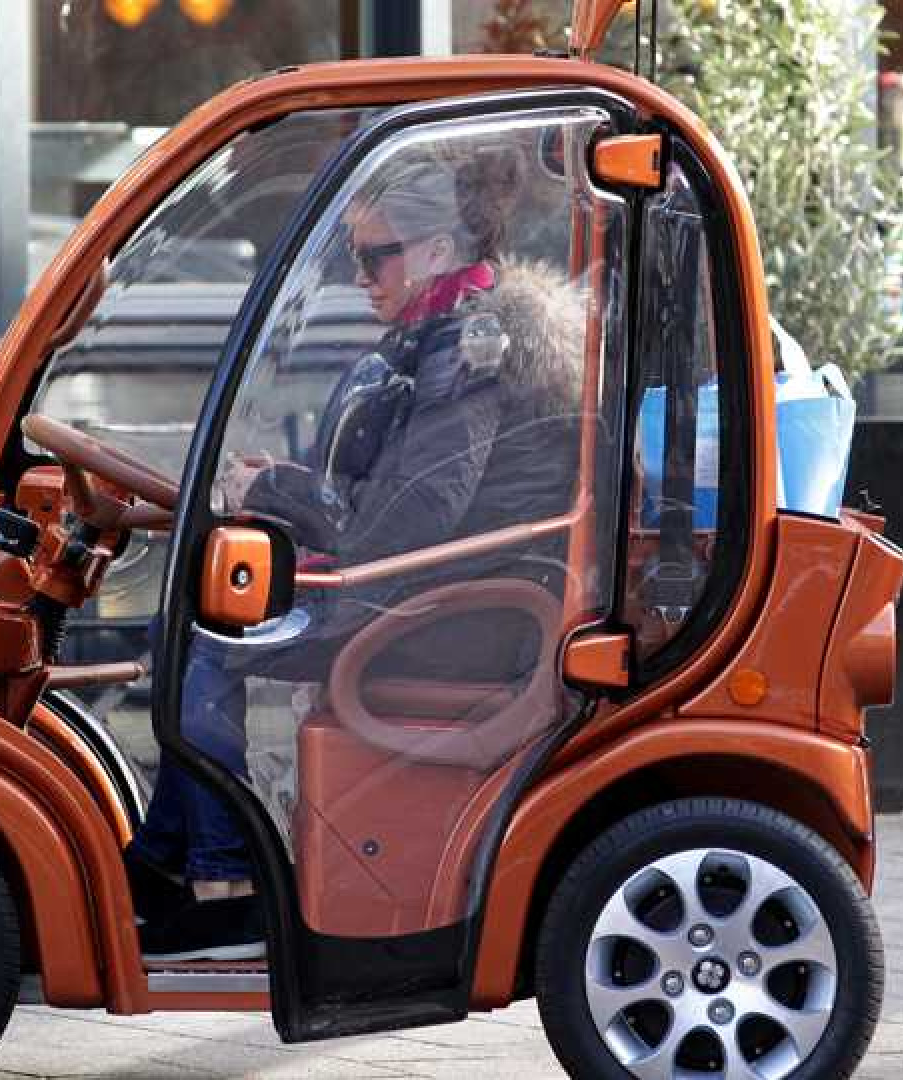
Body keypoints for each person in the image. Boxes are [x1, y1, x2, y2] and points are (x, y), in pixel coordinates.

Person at [127, 153, 584, 962]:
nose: (363, 277)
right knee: (188, 627)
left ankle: (229, 893)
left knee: (205, 647)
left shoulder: (467, 348)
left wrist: (281, 490)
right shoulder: (442, 333)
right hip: (436, 593)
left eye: (378, 256)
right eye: (354, 255)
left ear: (438, 251)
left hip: (443, 613)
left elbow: (411, 520)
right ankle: (167, 873)